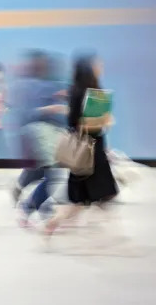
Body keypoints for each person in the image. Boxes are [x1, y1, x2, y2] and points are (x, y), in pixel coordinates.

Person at [43, 55, 118, 239]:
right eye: (97, 63)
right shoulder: (80, 92)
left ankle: (51, 226)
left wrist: (104, 121)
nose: (100, 66)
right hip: (88, 152)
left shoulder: (91, 90)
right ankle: (116, 239)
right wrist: (103, 120)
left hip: (93, 149)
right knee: (102, 196)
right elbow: (77, 124)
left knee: (83, 200)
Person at [12, 51, 68, 226]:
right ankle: (28, 207)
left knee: (42, 172)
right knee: (52, 174)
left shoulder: (51, 84)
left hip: (51, 134)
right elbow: (27, 114)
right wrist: (50, 108)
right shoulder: (27, 86)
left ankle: (39, 207)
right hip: (38, 134)